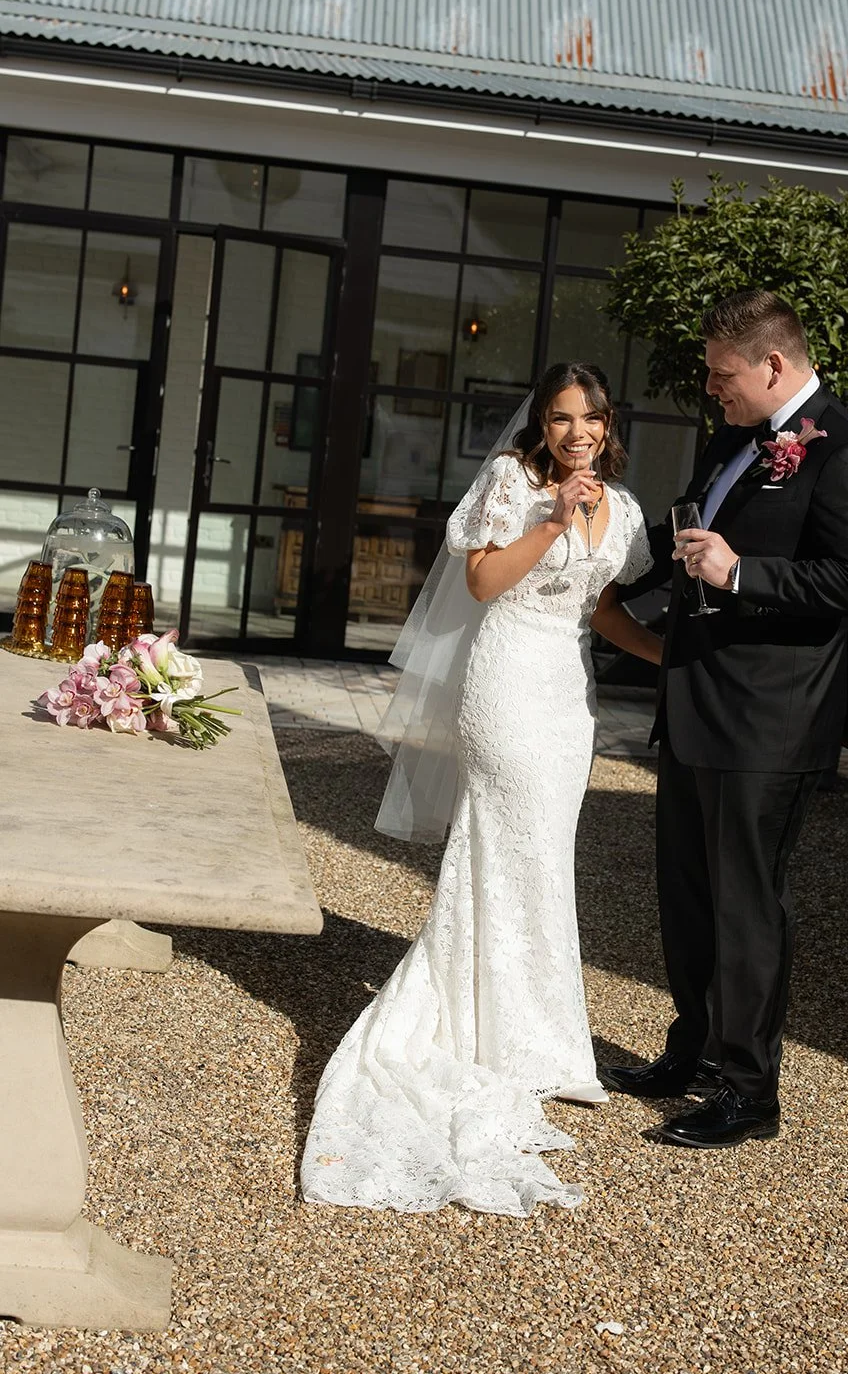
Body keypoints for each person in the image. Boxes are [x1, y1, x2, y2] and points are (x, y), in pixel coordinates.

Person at [301, 362, 661, 1215]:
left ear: (610, 422)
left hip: (567, 699)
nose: (578, 431)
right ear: (542, 422)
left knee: (543, 860)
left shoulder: (629, 507)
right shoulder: (512, 481)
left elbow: (603, 610)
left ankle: (533, 1036)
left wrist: (667, 659)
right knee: (511, 847)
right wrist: (553, 518)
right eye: (562, 417)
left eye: (592, 417)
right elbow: (482, 582)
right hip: (502, 687)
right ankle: (485, 1033)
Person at [605, 289, 848, 1148]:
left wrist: (741, 574)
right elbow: (682, 538)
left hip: (770, 724)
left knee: (746, 909)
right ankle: (690, 1051)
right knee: (688, 898)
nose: (711, 388)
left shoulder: (845, 457)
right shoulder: (737, 439)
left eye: (721, 373)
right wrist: (596, 567)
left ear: (773, 364)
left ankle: (749, 1093)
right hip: (695, 705)